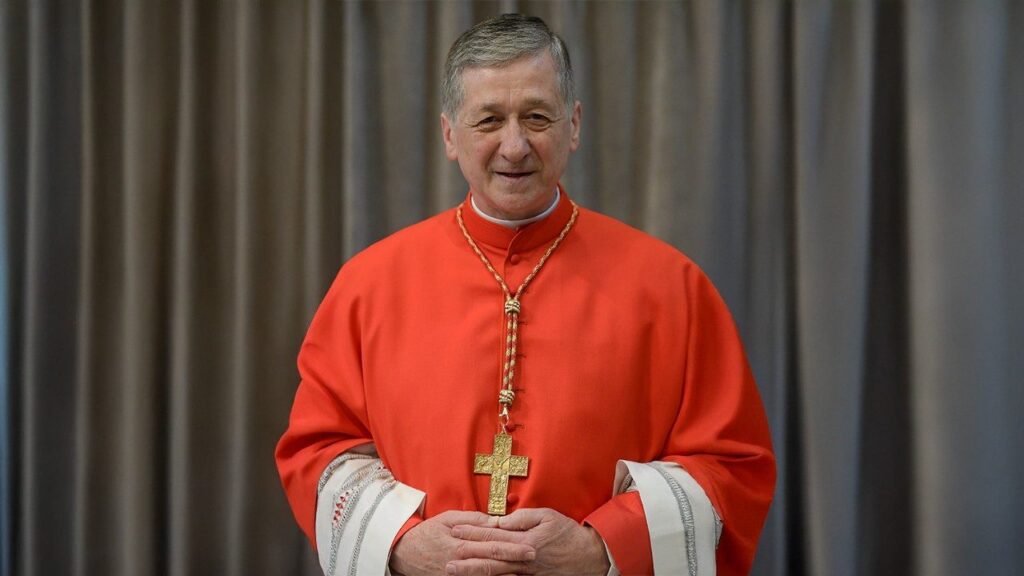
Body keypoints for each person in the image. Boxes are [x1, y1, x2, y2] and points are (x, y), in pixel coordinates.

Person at [276, 13, 775, 576]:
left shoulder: (671, 287)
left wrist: (605, 546)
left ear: (574, 125)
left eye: (537, 117)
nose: (514, 147)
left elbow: (731, 466)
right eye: (489, 120)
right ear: (449, 135)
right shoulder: (368, 286)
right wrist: (400, 542)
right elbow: (317, 453)